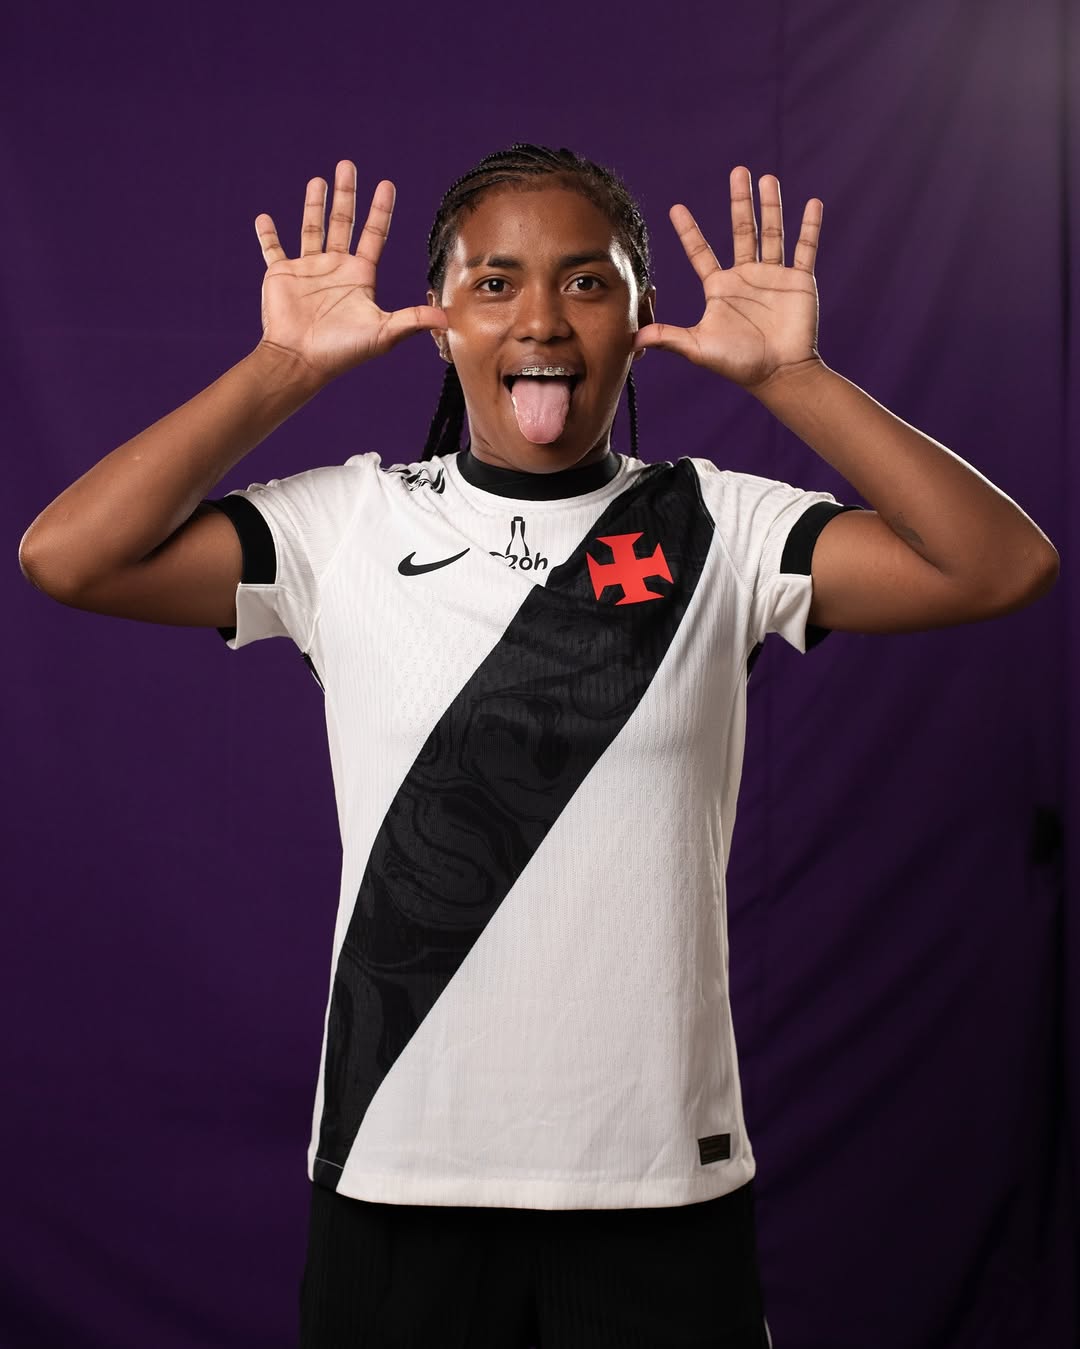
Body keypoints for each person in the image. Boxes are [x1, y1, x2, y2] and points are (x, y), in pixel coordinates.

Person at [19, 144, 1058, 1349]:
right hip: (400, 1172)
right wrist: (281, 369)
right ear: (438, 318)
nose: (543, 319)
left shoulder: (716, 525)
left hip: (658, 1180)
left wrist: (796, 379)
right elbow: (67, 555)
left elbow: (1000, 564)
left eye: (587, 281)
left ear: (641, 318)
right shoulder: (349, 522)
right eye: (495, 281)